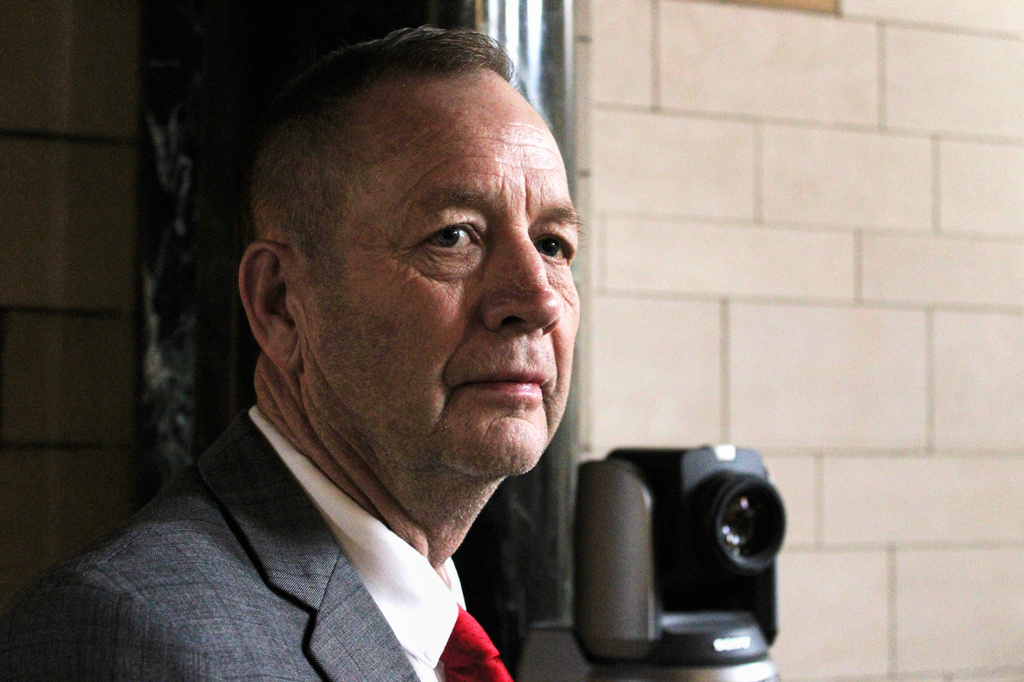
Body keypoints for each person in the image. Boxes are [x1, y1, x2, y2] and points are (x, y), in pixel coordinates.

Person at [0, 26, 580, 681]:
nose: (539, 298)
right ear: (280, 303)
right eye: (452, 236)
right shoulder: (127, 633)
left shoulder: (442, 625)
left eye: (554, 244)